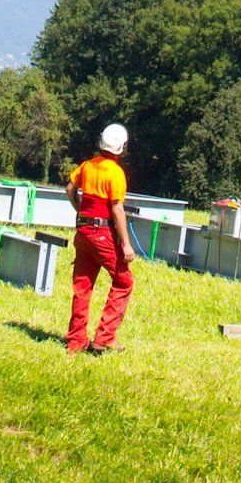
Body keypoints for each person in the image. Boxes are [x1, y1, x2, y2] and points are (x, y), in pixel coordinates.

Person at [65, 121, 136, 356]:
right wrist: (125, 244)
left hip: (82, 232)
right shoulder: (115, 173)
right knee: (124, 281)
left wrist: (80, 211)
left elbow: (69, 189)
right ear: (122, 147)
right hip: (102, 235)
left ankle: (76, 341)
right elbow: (117, 210)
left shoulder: (87, 165)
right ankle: (104, 337)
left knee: (82, 285)